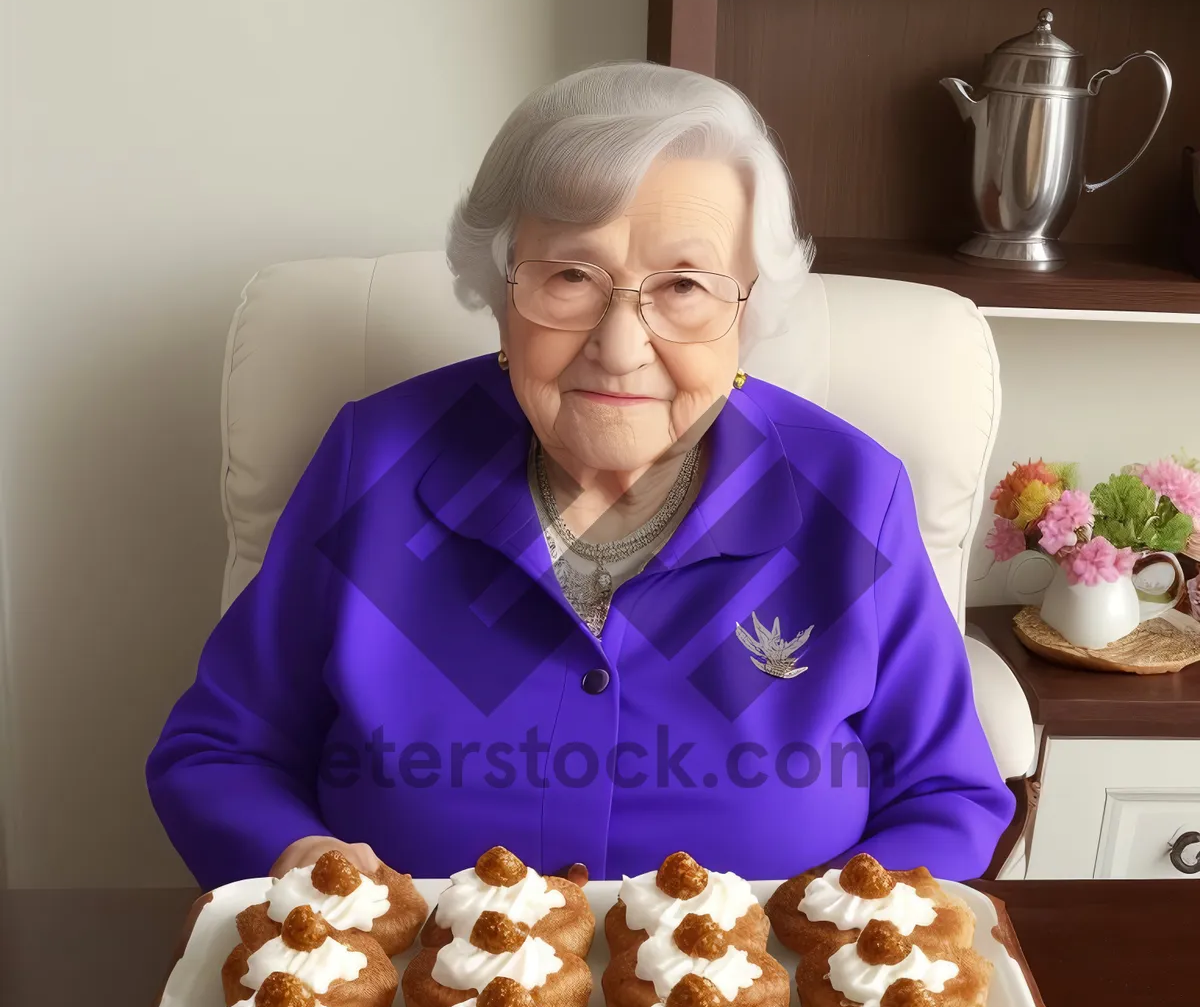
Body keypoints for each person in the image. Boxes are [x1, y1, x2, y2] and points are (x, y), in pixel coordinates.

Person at [146, 61, 1014, 892]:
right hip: (411, 1002)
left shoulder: (853, 495)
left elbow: (948, 799)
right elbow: (220, 753)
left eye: (682, 286)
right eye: (570, 275)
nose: (620, 344)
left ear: (748, 314)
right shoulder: (374, 462)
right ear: (498, 290)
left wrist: (829, 934)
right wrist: (296, 858)